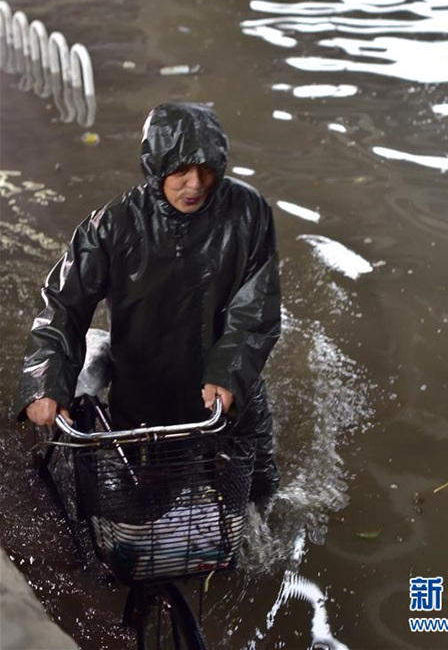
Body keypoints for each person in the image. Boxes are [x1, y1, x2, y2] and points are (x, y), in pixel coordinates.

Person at [16, 102, 282, 503]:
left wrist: (230, 372)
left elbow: (257, 306)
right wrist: (43, 383)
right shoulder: (110, 225)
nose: (195, 184)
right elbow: (62, 307)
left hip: (228, 394)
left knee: (257, 495)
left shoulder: (249, 212)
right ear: (156, 168)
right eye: (180, 170)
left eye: (206, 169)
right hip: (144, 400)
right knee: (146, 502)